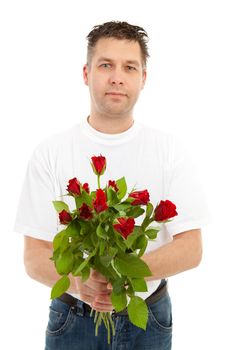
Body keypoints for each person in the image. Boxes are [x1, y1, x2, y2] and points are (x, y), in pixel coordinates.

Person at [14, 21, 209, 350]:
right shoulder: (50, 153)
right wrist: (81, 281)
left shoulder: (169, 151)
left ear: (143, 78)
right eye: (106, 65)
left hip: (148, 317)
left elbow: (192, 248)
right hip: (73, 317)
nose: (117, 77)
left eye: (129, 67)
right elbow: (34, 256)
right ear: (86, 73)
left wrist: (120, 273)